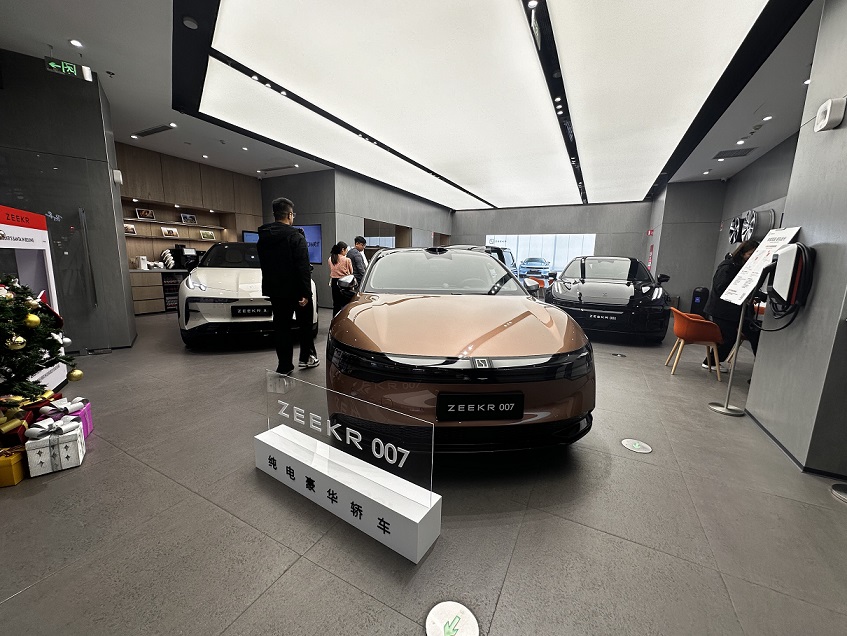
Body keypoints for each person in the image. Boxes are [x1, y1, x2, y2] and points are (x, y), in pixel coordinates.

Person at [257, 197, 319, 374]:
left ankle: (284, 365)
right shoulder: (295, 236)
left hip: (276, 291)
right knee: (305, 325)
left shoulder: (264, 238)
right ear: (290, 215)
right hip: (297, 291)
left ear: (275, 214)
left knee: (281, 328)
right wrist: (305, 293)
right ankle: (306, 359)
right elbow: (302, 267)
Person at [702, 239, 761, 371]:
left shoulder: (738, 266)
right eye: (750, 254)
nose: (752, 257)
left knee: (753, 334)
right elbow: (721, 288)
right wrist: (744, 296)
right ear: (742, 253)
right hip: (723, 310)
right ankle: (711, 362)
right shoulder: (728, 266)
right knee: (728, 337)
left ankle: (711, 362)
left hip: (733, 310)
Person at [328, 241, 353, 315]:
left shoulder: (330, 259)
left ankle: (335, 318)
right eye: (346, 249)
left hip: (334, 282)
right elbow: (351, 272)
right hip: (344, 283)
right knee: (345, 304)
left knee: (336, 304)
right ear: (342, 250)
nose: (347, 251)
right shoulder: (347, 260)